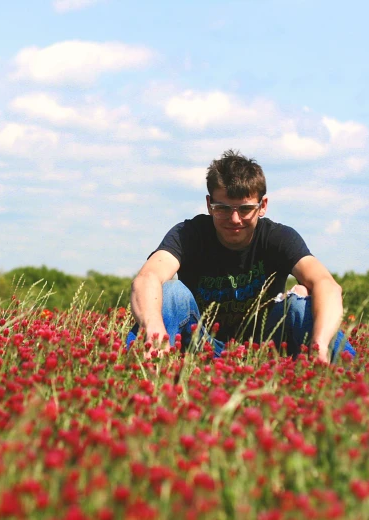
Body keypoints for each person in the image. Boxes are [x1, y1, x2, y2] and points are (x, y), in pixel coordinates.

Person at [127, 150, 355, 364]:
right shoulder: (189, 234)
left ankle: (344, 374)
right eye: (223, 208)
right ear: (209, 205)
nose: (234, 219)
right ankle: (144, 368)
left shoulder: (278, 237)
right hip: (200, 342)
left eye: (245, 209)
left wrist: (320, 344)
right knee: (171, 292)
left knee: (300, 306)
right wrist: (153, 327)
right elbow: (148, 277)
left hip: (267, 345)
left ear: (262, 206)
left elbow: (326, 284)